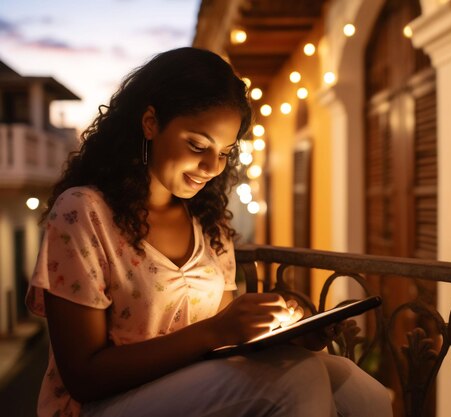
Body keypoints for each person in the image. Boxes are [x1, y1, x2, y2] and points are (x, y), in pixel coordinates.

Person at [26, 47, 392, 417]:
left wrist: (286, 335)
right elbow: (83, 376)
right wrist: (214, 332)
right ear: (150, 122)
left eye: (225, 152)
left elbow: (224, 347)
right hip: (102, 404)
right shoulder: (84, 212)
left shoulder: (209, 224)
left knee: (359, 388)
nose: (211, 167)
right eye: (198, 145)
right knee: (299, 380)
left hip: (195, 388)